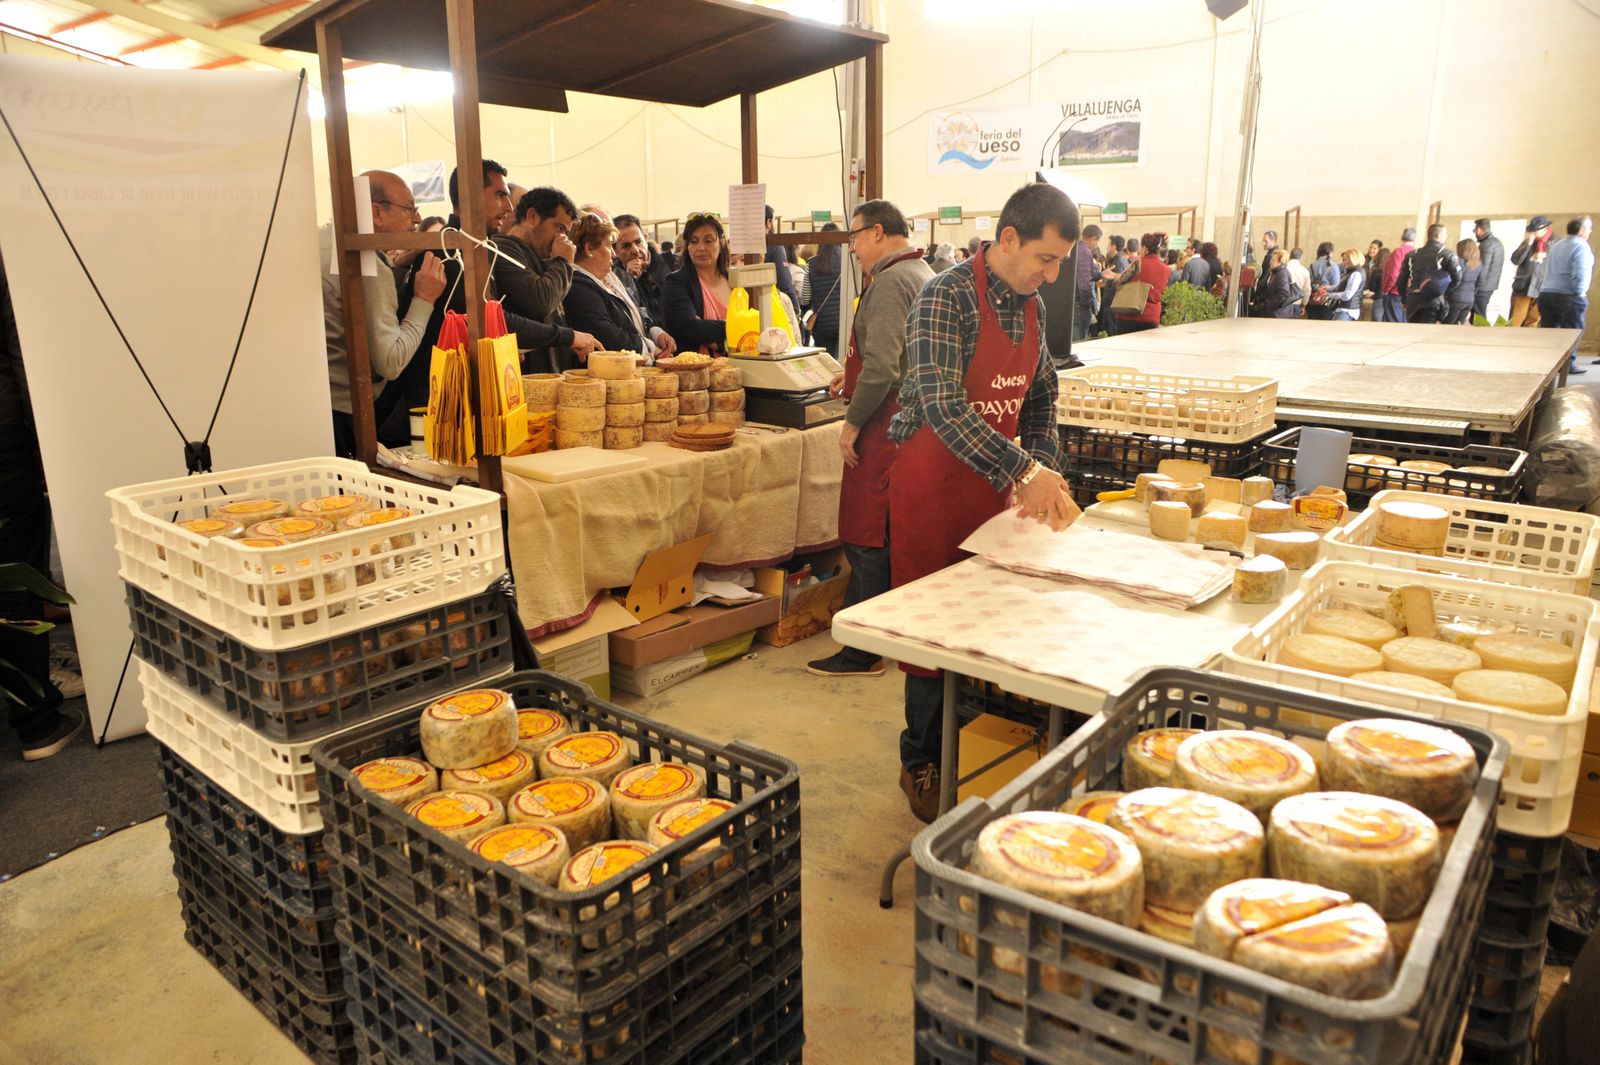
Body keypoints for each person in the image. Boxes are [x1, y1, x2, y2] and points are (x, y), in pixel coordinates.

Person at [888, 182, 1080, 822]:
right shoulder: (944, 298)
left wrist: (1044, 463)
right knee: (930, 633)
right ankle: (921, 759)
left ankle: (968, 743)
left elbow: (1043, 393)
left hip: (993, 490)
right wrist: (1024, 468)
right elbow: (943, 403)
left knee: (983, 627)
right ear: (1007, 240)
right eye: (1044, 260)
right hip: (931, 488)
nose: (1051, 275)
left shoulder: (1029, 303)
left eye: (1059, 263)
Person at [806, 199, 933, 682]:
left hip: (885, 427)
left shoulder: (891, 282)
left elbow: (883, 365)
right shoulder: (920, 272)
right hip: (907, 421)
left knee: (868, 538)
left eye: (854, 238)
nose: (852, 248)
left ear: (878, 233)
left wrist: (853, 422)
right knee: (882, 536)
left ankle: (864, 650)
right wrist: (849, 379)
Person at [0, 252, 81, 760]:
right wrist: (48, 445)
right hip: (3, 435)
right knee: (13, 573)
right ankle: (36, 721)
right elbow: (17, 343)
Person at [321, 169, 446, 457]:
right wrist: (424, 299)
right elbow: (390, 361)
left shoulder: (321, 243)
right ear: (376, 213)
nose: (416, 219)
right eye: (409, 209)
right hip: (348, 413)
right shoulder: (368, 266)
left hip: (317, 407)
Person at [489, 185, 600, 372]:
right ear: (532, 217)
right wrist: (563, 262)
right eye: (559, 228)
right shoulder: (503, 249)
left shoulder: (542, 258)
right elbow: (541, 301)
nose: (563, 239)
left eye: (566, 232)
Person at [561, 212, 653, 356]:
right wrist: (650, 348)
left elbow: (634, 313)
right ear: (589, 249)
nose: (614, 254)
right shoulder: (577, 285)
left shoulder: (610, 277)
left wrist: (654, 331)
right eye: (609, 245)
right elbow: (607, 334)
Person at [662, 212, 732, 354]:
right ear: (687, 246)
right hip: (695, 370)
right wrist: (734, 327)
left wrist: (711, 335)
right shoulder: (676, 282)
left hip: (745, 368)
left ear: (722, 242)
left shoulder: (734, 280)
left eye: (708, 240)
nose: (700, 248)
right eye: (694, 241)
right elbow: (689, 327)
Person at [1538, 216, 1594, 375]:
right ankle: (1567, 365)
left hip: (1547, 294)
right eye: (1589, 228)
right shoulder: (1581, 247)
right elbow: (1581, 273)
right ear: (1582, 231)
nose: (1589, 232)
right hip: (1569, 296)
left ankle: (1548, 364)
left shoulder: (1557, 245)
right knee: (1572, 332)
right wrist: (1579, 292)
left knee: (1549, 332)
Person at [1398, 223, 1462, 324]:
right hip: (1433, 300)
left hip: (1413, 299)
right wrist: (1445, 292)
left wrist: (1404, 299)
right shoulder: (1447, 255)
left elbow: (1401, 280)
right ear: (1438, 235)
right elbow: (1458, 278)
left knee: (1412, 331)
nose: (1446, 236)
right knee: (1426, 331)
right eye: (1445, 233)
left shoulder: (1411, 255)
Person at [799, 224, 845, 359]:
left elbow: (805, 298)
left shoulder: (811, 264)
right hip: (845, 322)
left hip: (822, 326)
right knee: (844, 362)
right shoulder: (848, 262)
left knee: (826, 363)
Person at [1114, 232, 1172, 333]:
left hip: (1129, 315)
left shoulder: (1137, 264)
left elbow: (1118, 282)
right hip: (1151, 318)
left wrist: (1116, 277)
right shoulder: (1167, 270)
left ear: (1145, 248)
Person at [1510, 216, 1552, 328]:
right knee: (1515, 321)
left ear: (1545, 229)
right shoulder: (1527, 242)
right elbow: (1515, 260)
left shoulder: (1554, 243)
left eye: (1535, 230)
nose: (1533, 232)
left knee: (1533, 322)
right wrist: (1528, 244)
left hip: (1541, 287)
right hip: (1523, 286)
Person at [763, 205, 802, 317]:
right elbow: (785, 283)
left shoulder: (740, 246)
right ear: (768, 222)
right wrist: (795, 312)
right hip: (773, 310)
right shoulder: (775, 247)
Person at [1375, 227, 1416, 322]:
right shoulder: (1416, 252)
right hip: (1409, 294)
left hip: (1395, 293)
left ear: (1402, 237)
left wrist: (1386, 289)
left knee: (1392, 324)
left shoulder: (1399, 252)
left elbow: (1393, 274)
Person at [1252, 249, 1300, 318]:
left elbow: (1283, 295)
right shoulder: (1275, 272)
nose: (1270, 262)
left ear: (1280, 262)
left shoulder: (1282, 274)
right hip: (1275, 312)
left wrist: (1266, 304)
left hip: (1279, 314)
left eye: (1273, 260)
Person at [1473, 219, 1505, 322]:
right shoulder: (1496, 242)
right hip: (1490, 284)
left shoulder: (1486, 244)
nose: (1475, 233)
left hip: (1483, 287)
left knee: (1479, 316)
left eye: (1475, 230)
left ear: (1479, 230)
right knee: (1478, 315)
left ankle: (1480, 336)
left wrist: (1477, 286)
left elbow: (1483, 268)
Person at [1323, 249, 1367, 321]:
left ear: (1352, 259)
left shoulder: (1356, 274)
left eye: (1345, 260)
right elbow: (1341, 285)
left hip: (1347, 310)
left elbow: (1347, 295)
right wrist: (1327, 288)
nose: (1343, 262)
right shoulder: (1352, 271)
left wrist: (1329, 295)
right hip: (1345, 309)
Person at [1447, 239, 1483, 325]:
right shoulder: (1479, 264)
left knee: (1448, 326)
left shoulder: (1458, 262)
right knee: (1459, 325)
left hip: (1456, 298)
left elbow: (1451, 279)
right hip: (1469, 300)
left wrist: (1448, 292)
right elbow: (1480, 282)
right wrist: (1472, 292)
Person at [1306, 242, 1341, 320]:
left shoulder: (1311, 265)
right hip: (1327, 303)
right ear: (1330, 252)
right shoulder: (1333, 266)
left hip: (1312, 301)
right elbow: (1336, 286)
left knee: (1311, 328)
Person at [1285, 249, 1312, 316]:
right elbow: (1307, 290)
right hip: (1296, 305)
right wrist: (1303, 305)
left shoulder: (1283, 268)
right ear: (1301, 257)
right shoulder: (1304, 271)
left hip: (1282, 304)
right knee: (1293, 326)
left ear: (1290, 256)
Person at [1364, 239, 1386, 319]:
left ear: (1379, 250)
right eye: (1370, 248)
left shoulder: (1381, 263)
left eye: (1374, 248)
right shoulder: (1364, 260)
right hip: (1364, 291)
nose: (1371, 250)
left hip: (1374, 293)